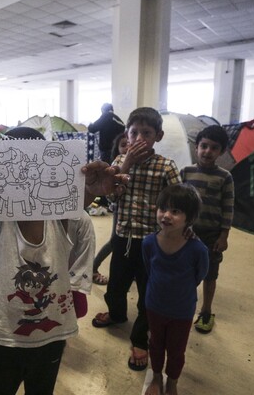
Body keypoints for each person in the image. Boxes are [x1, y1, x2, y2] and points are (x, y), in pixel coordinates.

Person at [0, 127, 127, 395]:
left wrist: (93, 189)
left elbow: (75, 200)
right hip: (2, 335)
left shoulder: (61, 216)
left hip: (51, 335)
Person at [92, 107, 181, 373]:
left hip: (152, 242)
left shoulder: (166, 166)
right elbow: (110, 197)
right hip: (122, 237)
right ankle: (117, 314)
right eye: (134, 132)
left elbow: (178, 203)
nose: (139, 138)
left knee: (146, 293)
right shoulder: (119, 162)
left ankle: (140, 338)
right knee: (115, 286)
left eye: (147, 132)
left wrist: (178, 233)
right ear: (126, 135)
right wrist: (126, 164)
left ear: (158, 136)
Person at [143, 184, 209, 395]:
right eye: (162, 208)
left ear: (189, 218)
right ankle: (155, 377)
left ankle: (172, 382)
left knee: (176, 351)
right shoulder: (148, 243)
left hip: (181, 311)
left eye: (176, 211)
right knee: (155, 344)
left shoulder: (197, 250)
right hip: (154, 306)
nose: (166, 215)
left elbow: (200, 275)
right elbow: (149, 269)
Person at [180, 125, 234, 334]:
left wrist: (224, 235)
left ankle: (206, 311)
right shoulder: (186, 172)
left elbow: (228, 208)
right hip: (187, 233)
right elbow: (180, 203)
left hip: (212, 236)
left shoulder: (225, 177)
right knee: (186, 271)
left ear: (221, 152)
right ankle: (185, 306)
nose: (207, 151)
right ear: (197, 147)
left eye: (214, 148)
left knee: (210, 274)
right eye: (204, 146)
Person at [92, 132, 129, 285]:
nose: (128, 148)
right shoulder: (118, 164)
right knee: (115, 241)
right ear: (117, 149)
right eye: (123, 145)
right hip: (120, 210)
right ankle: (93, 267)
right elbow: (110, 194)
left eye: (130, 143)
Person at [88, 103, 126, 210]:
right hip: (117, 151)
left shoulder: (105, 116)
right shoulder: (118, 119)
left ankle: (105, 200)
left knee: (106, 173)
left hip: (106, 150)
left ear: (103, 110)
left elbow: (93, 128)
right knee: (115, 173)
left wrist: (90, 124)